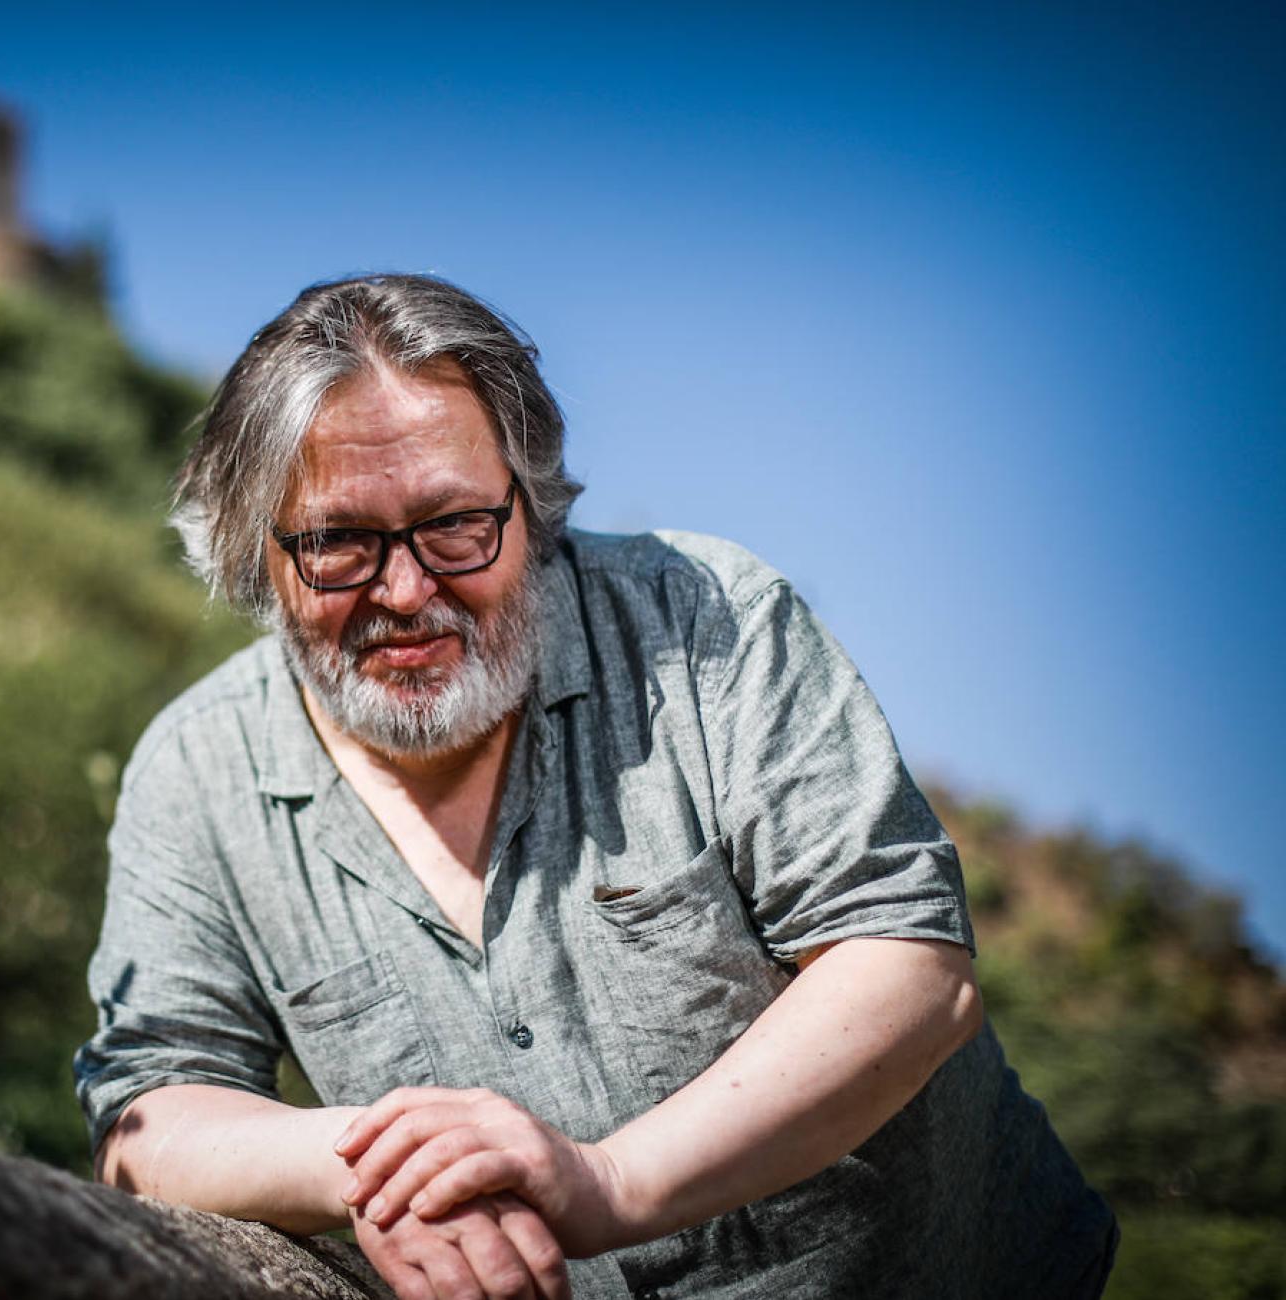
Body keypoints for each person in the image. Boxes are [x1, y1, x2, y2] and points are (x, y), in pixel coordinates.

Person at [74, 274, 1117, 1299]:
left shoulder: (713, 622)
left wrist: (606, 1181)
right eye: (340, 542)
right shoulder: (193, 769)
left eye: (454, 524)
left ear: (535, 507)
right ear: (254, 552)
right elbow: (149, 1110)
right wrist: (389, 1162)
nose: (405, 590)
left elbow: (910, 974)